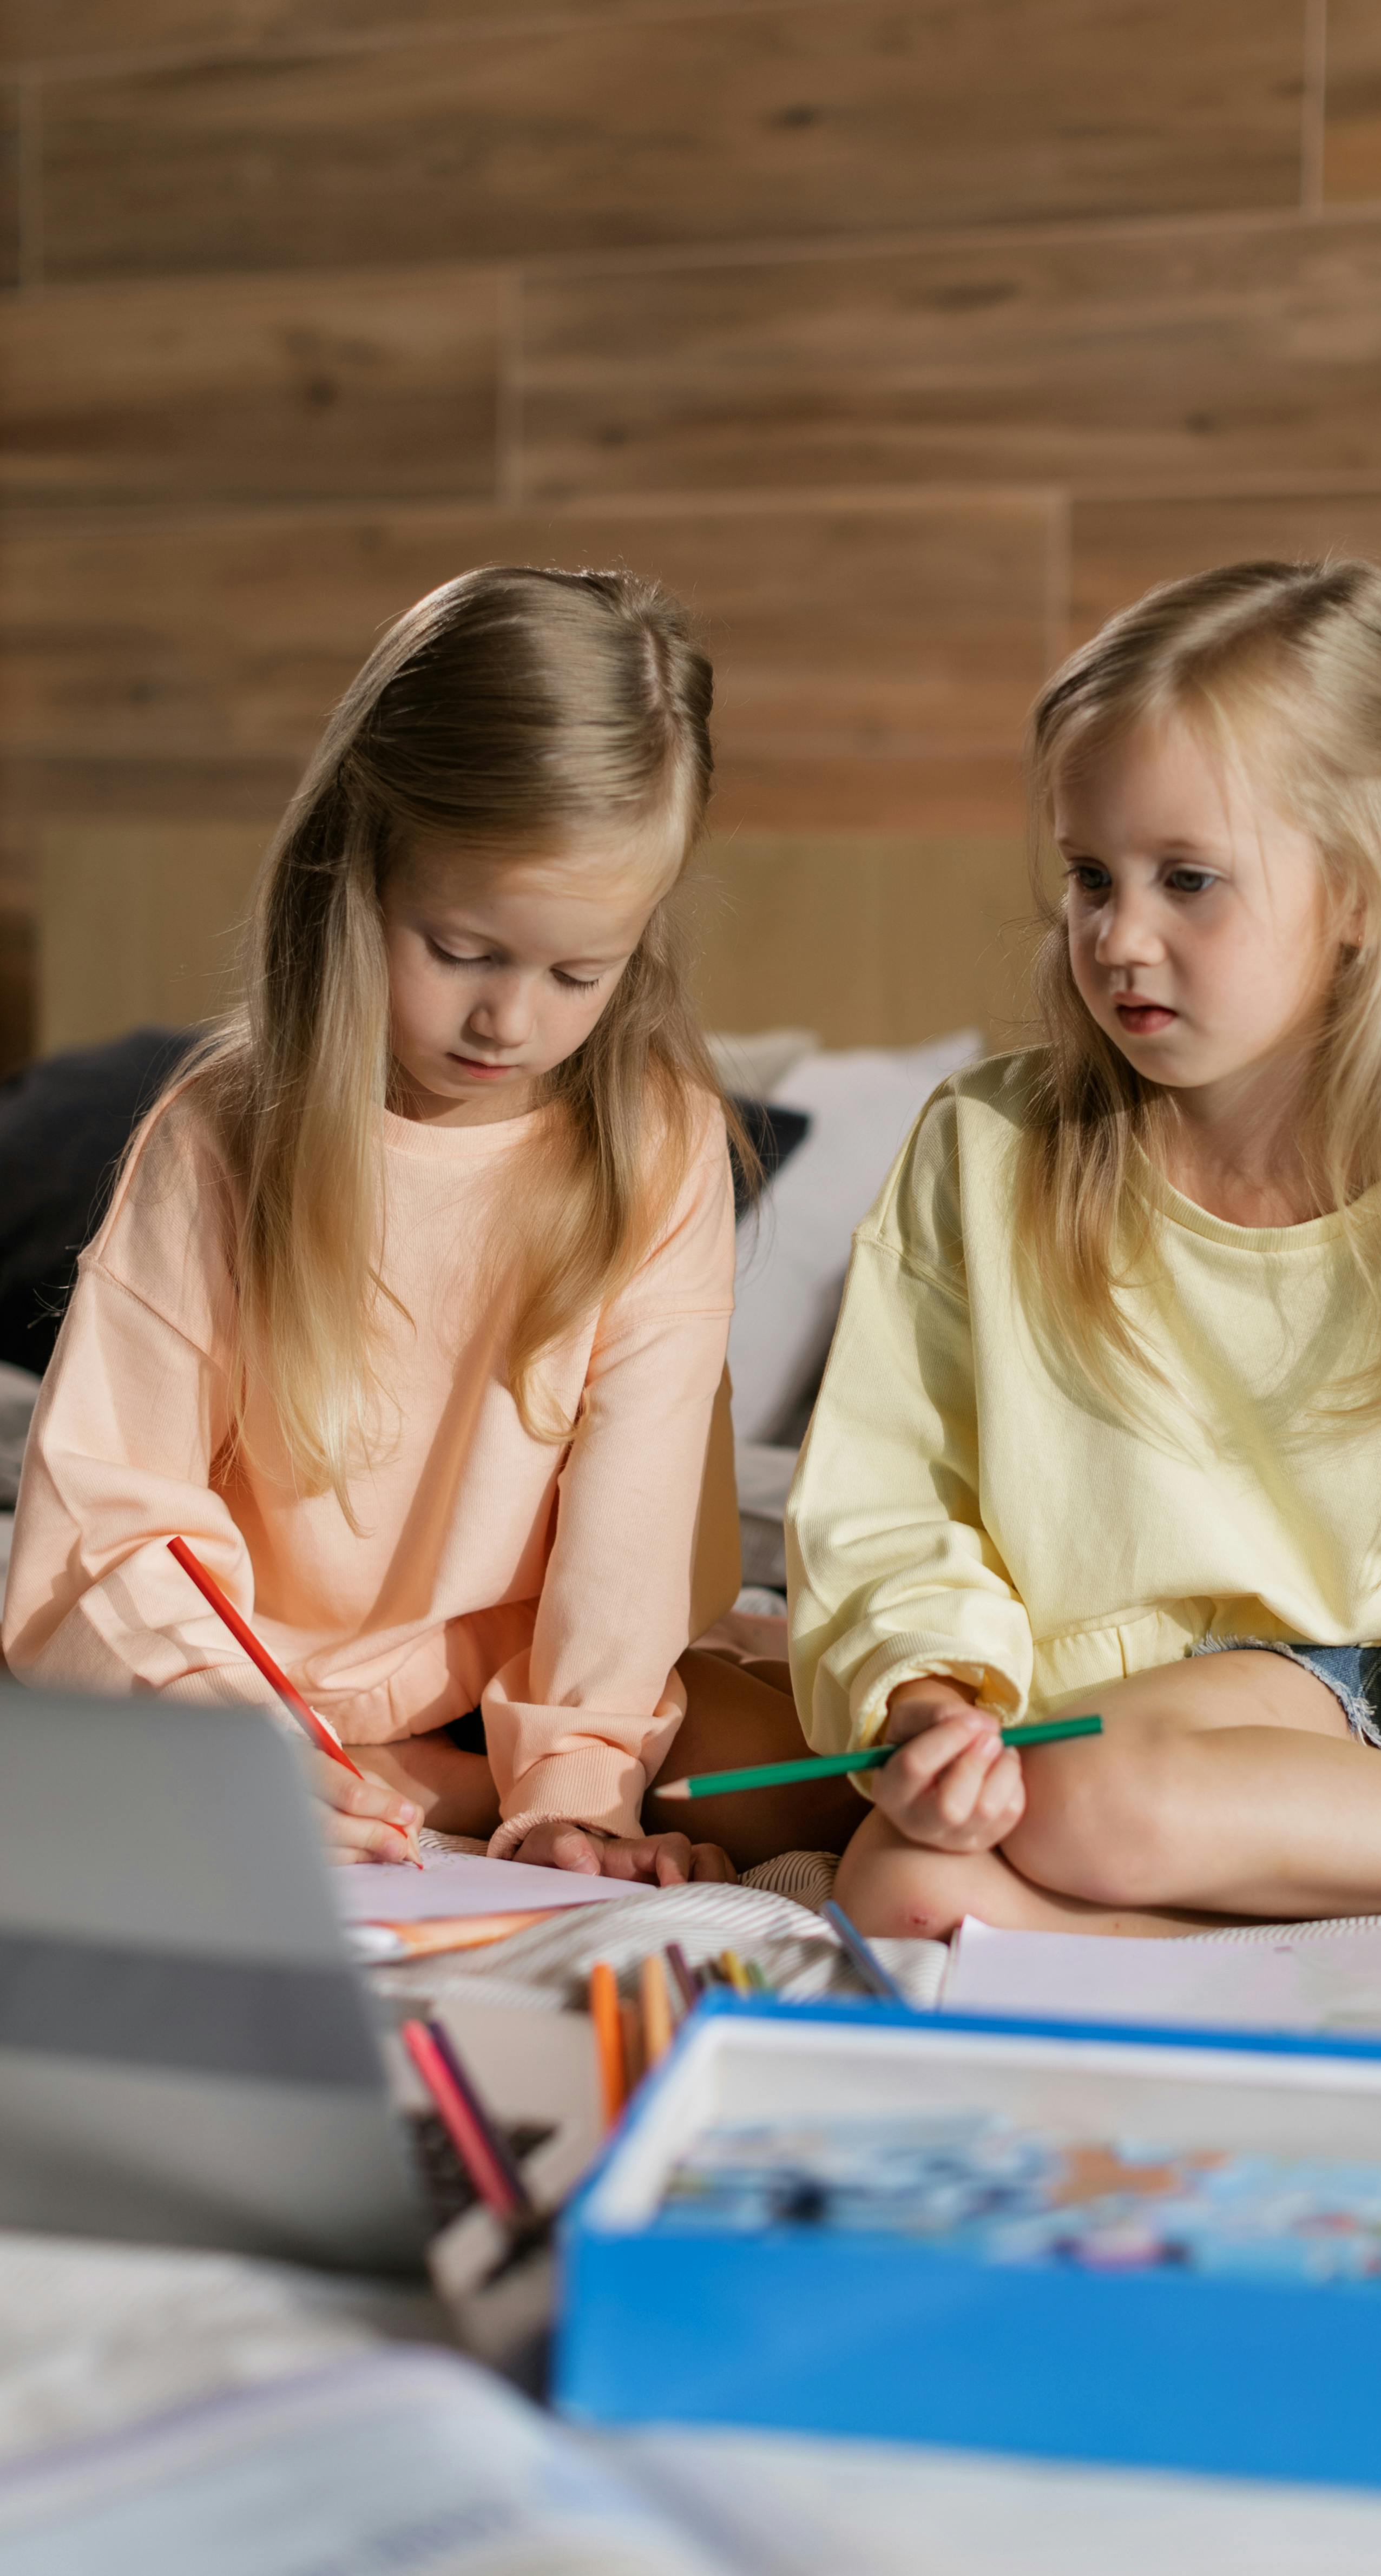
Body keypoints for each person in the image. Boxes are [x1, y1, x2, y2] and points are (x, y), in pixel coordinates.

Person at [787, 557, 1381, 1947]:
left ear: (1359, 893)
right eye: (1089, 876)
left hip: (1334, 1714)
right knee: (905, 1891)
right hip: (1054, 1725)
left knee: (1085, 1788)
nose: (1118, 936)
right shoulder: (981, 1151)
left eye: (1189, 880)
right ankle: (1324, 1956)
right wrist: (930, 1697)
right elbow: (889, 1504)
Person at [4, 564, 841, 1879]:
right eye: (462, 951)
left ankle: (426, 1783)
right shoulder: (222, 1131)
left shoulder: (656, 1138)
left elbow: (624, 1543)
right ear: (359, 869)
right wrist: (244, 1739)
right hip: (254, 1670)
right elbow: (109, 1515)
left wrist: (577, 1791)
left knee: (805, 1777)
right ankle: (361, 1778)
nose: (512, 1021)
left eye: (580, 971)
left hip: (521, 1685)